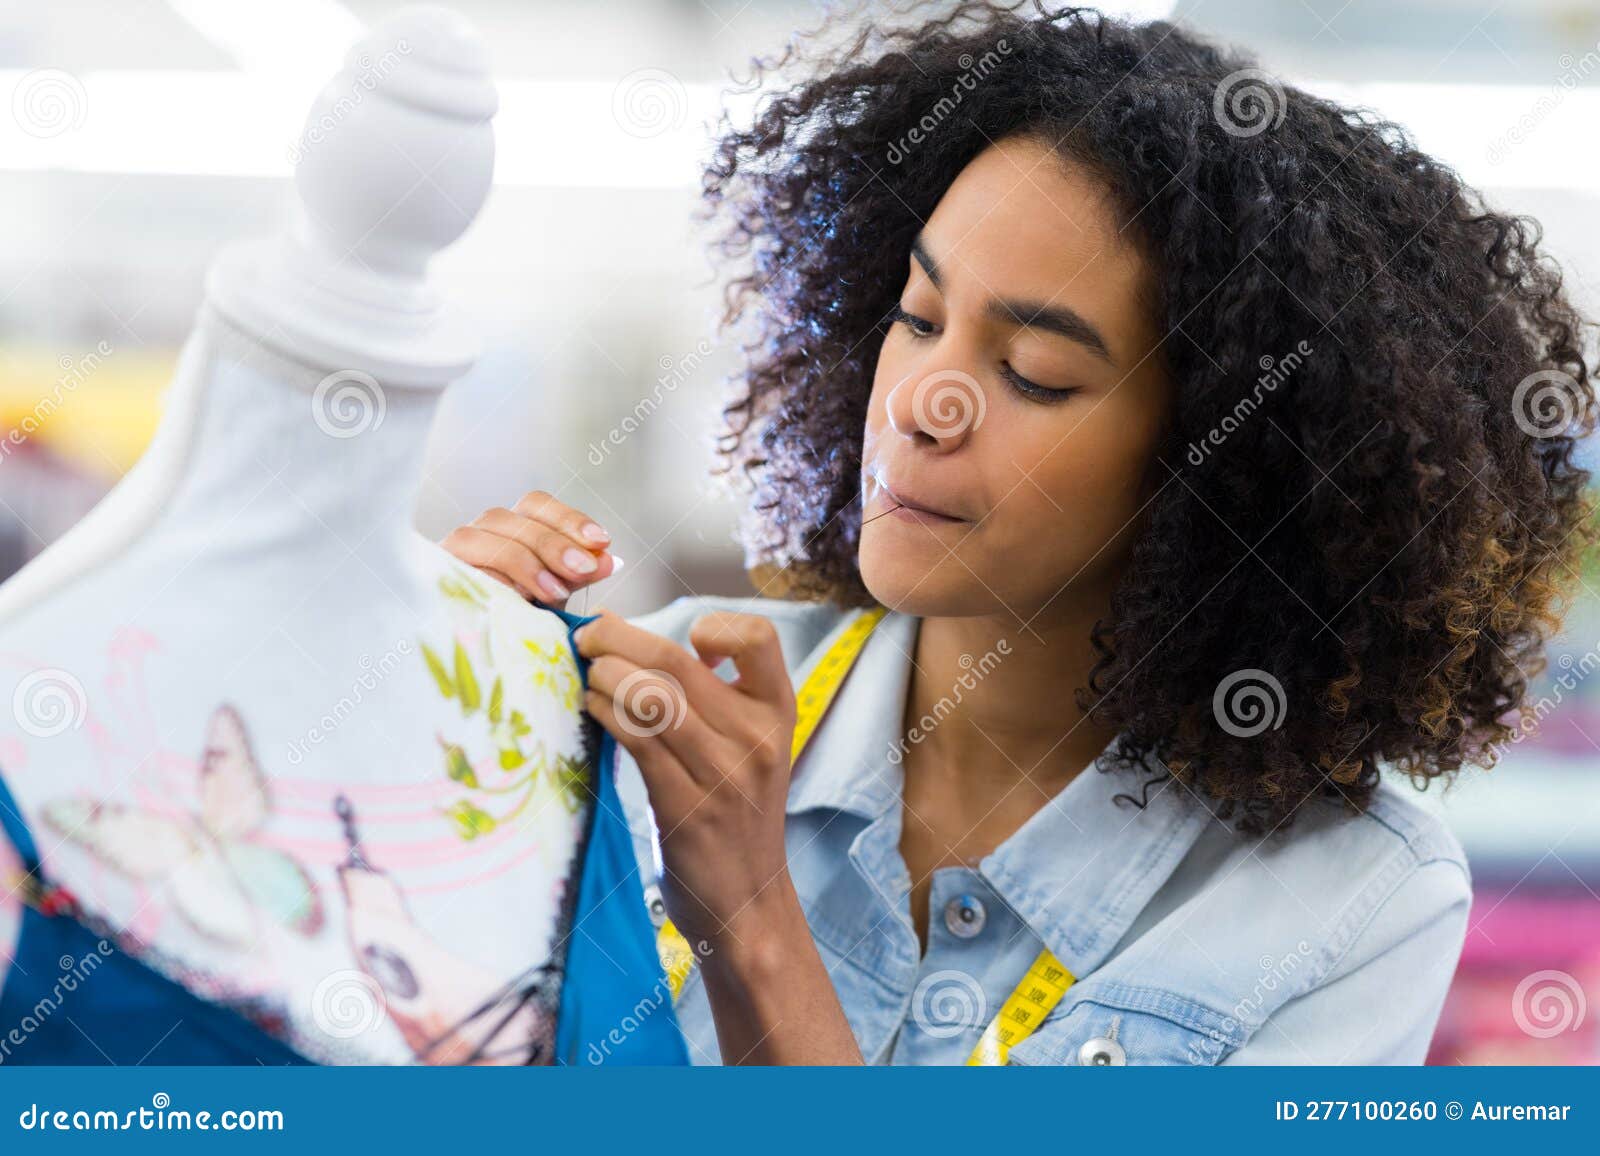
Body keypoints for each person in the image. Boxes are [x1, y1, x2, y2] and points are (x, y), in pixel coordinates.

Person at [441, 3, 1596, 1065]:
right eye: (917, 315)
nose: (920, 406)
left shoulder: (1351, 905)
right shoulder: (653, 702)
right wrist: (423, 676)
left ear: (1220, 464)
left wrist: (754, 926)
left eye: (1034, 373)